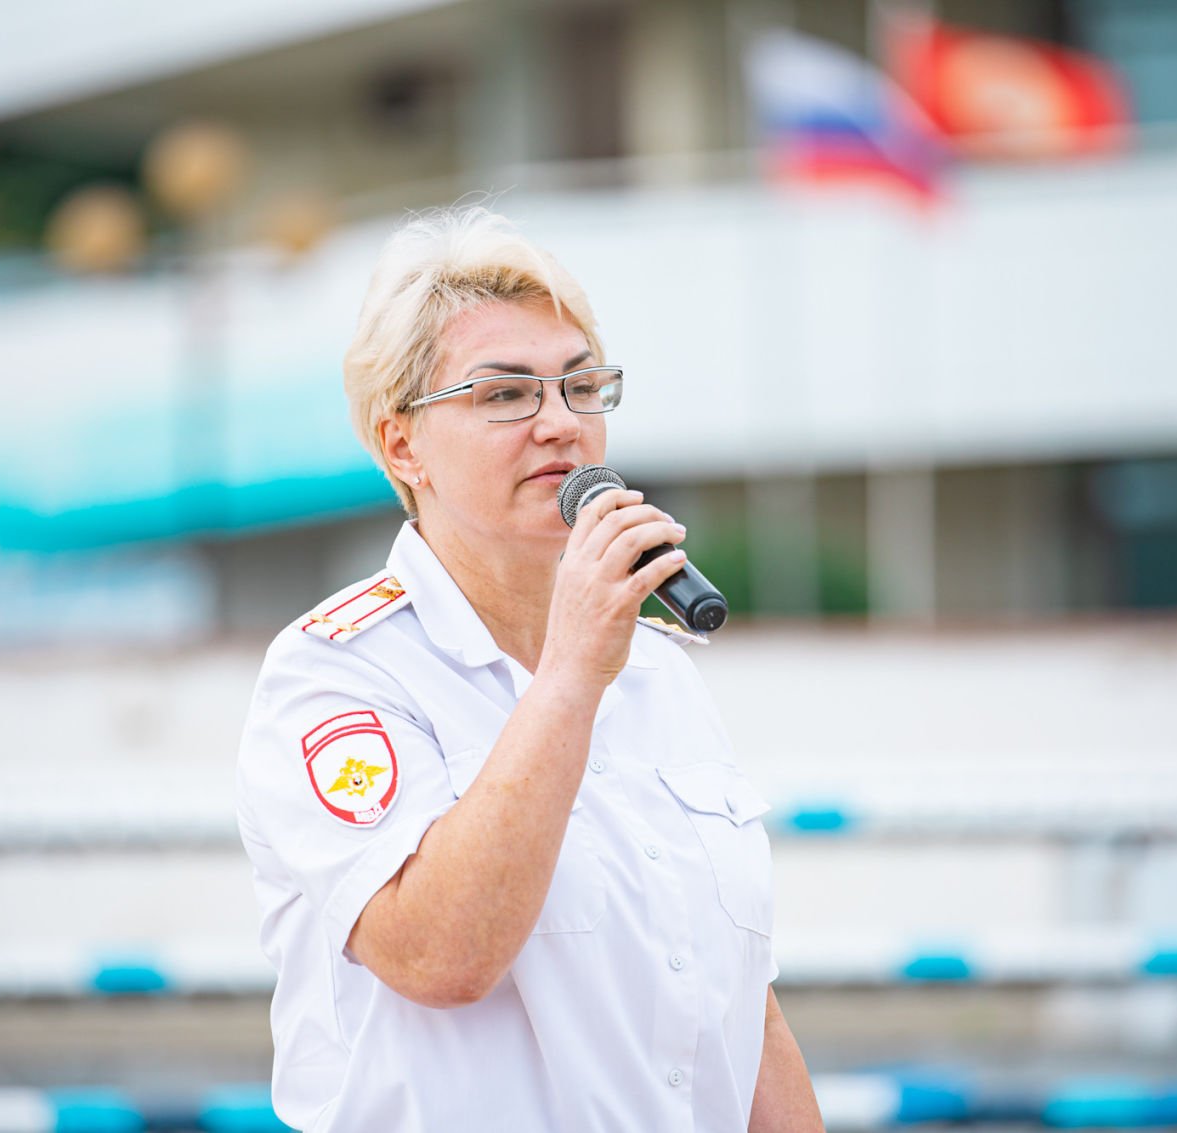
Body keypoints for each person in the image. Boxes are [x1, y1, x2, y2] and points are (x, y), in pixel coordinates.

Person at [235, 205, 822, 1133]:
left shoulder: (657, 669)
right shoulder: (334, 676)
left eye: (582, 386)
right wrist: (572, 674)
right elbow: (439, 955)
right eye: (505, 394)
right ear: (402, 443)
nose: (561, 424)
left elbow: (742, 1007)